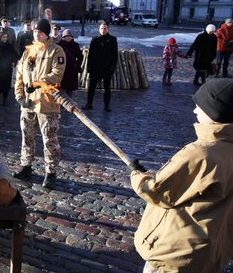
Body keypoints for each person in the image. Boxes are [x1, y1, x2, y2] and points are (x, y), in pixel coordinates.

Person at [130, 78, 233, 272]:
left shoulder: (200, 154)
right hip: (211, 253)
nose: (194, 111)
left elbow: (157, 191)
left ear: (216, 113)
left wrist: (137, 175)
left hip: (176, 254)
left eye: (200, 107)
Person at [13, 19, 66, 189]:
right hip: (28, 104)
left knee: (49, 139)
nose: (37, 34)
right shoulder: (29, 51)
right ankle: (26, 165)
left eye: (40, 32)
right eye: (35, 31)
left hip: (46, 104)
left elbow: (57, 74)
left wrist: (37, 83)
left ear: (46, 33)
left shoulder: (56, 51)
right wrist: (19, 96)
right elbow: (19, 75)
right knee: (26, 135)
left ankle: (51, 172)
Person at [82, 22, 118, 112]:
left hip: (107, 68)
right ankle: (89, 104)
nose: (103, 30)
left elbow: (115, 55)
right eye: (101, 28)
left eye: (105, 28)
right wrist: (89, 67)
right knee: (91, 88)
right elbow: (90, 55)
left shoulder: (113, 40)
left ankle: (107, 106)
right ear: (99, 29)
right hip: (95, 68)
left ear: (108, 29)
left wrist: (112, 68)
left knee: (107, 88)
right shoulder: (94, 40)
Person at [0, 31, 18, 106]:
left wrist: (14, 62)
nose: (5, 38)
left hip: (7, 69)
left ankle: (4, 100)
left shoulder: (9, 46)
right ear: (0, 37)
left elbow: (14, 55)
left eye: (6, 37)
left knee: (6, 85)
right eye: (3, 37)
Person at [57, 29, 83, 97]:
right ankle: (61, 105)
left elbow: (80, 56)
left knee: (70, 89)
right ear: (63, 37)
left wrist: (77, 65)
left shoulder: (75, 45)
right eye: (66, 36)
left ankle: (69, 104)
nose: (68, 37)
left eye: (69, 36)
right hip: (62, 69)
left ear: (72, 37)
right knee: (61, 89)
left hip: (72, 70)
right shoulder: (59, 45)